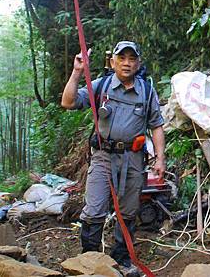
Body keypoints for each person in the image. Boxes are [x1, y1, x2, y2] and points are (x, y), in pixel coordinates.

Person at [61, 41, 166, 275]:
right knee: (94, 209)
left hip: (133, 159)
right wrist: (78, 71)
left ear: (138, 63)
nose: (127, 63)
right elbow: (68, 102)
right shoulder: (102, 85)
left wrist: (160, 159)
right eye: (122, 58)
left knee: (128, 210)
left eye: (131, 58)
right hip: (102, 157)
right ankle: (89, 260)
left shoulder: (146, 91)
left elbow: (157, 125)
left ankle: (122, 259)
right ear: (112, 62)